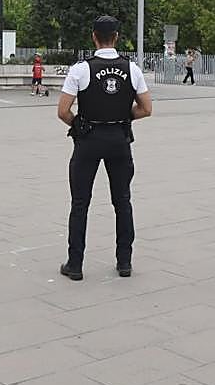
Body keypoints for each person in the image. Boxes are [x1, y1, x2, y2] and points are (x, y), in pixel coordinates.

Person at [57, 15, 152, 280]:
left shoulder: (80, 69)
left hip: (89, 140)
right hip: (119, 139)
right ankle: (124, 263)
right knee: (122, 201)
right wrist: (124, 116)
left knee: (80, 203)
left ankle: (75, 265)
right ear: (117, 37)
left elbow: (63, 111)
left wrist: (79, 125)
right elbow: (147, 108)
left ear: (94, 36)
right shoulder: (132, 69)